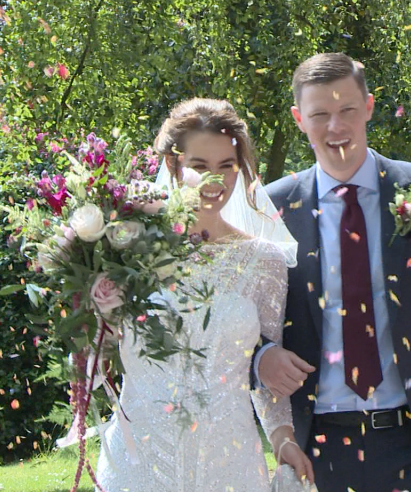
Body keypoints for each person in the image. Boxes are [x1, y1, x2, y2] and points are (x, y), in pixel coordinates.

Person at [258, 53, 411, 492]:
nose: (335, 127)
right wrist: (263, 356)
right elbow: (246, 317)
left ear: (369, 108)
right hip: (317, 446)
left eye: (347, 111)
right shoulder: (272, 208)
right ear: (300, 119)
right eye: (320, 115)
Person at [94, 98, 313, 491]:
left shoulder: (265, 261)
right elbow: (97, 352)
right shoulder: (125, 249)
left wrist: (283, 439)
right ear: (172, 166)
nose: (215, 181)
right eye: (199, 167)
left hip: (231, 464)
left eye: (226, 166)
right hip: (139, 462)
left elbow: (266, 374)